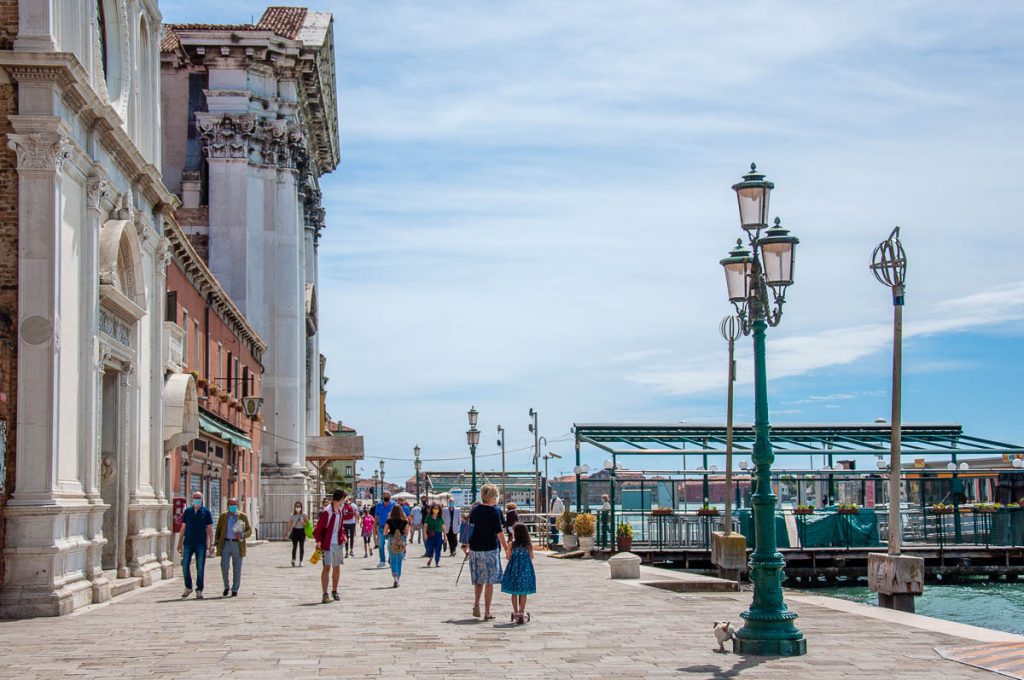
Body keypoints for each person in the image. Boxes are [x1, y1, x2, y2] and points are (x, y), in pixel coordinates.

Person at [465, 484, 508, 620]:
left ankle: (476, 604)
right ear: (492, 497)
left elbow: (470, 529)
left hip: (476, 549)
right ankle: (487, 612)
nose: (497, 499)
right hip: (490, 549)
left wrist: (466, 545)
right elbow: (499, 533)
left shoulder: (475, 511)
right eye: (496, 496)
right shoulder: (494, 512)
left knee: (479, 580)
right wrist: (507, 548)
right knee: (489, 582)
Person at [177, 491, 214, 599]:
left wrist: (211, 543)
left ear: (202, 499)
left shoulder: (206, 512)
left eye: (199, 498)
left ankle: (199, 589)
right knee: (184, 565)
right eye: (195, 498)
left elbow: (209, 528)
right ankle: (188, 587)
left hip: (201, 544)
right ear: (191, 499)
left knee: (200, 567)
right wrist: (179, 542)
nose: (197, 499)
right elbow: (183, 527)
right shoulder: (188, 511)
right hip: (188, 542)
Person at [313, 489, 348, 603]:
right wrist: (318, 541)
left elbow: (340, 526)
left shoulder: (340, 510)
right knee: (327, 567)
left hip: (338, 543)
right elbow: (318, 528)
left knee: (337, 567)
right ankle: (324, 593)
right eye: (343, 498)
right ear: (340, 499)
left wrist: (343, 536)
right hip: (327, 544)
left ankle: (334, 591)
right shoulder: (327, 512)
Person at [214, 496, 252, 597]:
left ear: (237, 505)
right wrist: (216, 542)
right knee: (224, 566)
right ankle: (226, 586)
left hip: (237, 544)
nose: (232, 506)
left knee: (237, 568)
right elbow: (218, 530)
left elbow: (249, 530)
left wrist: (242, 535)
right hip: (226, 543)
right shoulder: (223, 516)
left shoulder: (242, 516)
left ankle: (235, 589)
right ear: (227, 505)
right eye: (230, 504)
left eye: (234, 504)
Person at [502, 523, 537, 624]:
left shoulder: (511, 544)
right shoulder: (528, 545)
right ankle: (522, 612)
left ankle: (516, 612)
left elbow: (508, 557)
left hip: (513, 570)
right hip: (525, 571)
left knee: (514, 592)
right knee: (523, 592)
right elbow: (532, 556)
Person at [383, 503, 410, 587]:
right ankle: (398, 578)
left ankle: (395, 576)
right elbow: (406, 533)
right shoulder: (405, 521)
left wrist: (387, 535)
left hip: (392, 539)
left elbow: (385, 531)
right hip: (401, 540)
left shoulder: (389, 521)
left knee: (393, 559)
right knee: (399, 560)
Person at [374, 492, 396, 568]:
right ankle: (382, 561)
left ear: (390, 497)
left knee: (391, 544)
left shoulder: (394, 505)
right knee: (381, 545)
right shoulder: (378, 505)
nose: (386, 497)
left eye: (387, 496)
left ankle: (391, 561)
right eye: (385, 496)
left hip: (391, 527)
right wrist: (374, 529)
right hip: (381, 527)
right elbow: (376, 517)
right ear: (382, 496)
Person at [289, 501, 307, 567]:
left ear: (301, 507)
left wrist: (302, 522)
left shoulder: (304, 515)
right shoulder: (292, 515)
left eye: (299, 506)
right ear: (295, 507)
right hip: (295, 531)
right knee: (294, 546)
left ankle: (301, 561)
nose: (298, 508)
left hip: (302, 531)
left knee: (301, 547)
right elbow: (290, 523)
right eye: (296, 506)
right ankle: (293, 560)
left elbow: (306, 524)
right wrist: (287, 531)